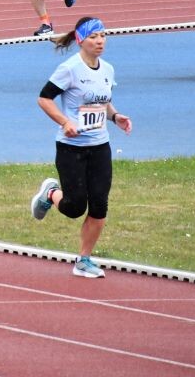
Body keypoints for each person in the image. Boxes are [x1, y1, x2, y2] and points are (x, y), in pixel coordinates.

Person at [29, 16, 132, 278]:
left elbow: (103, 101)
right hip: (71, 148)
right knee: (75, 207)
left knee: (100, 204)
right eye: (93, 37)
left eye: (103, 36)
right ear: (80, 40)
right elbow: (44, 99)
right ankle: (51, 192)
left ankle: (84, 260)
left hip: (100, 146)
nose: (100, 42)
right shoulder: (70, 68)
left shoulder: (107, 69)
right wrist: (65, 121)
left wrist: (115, 116)